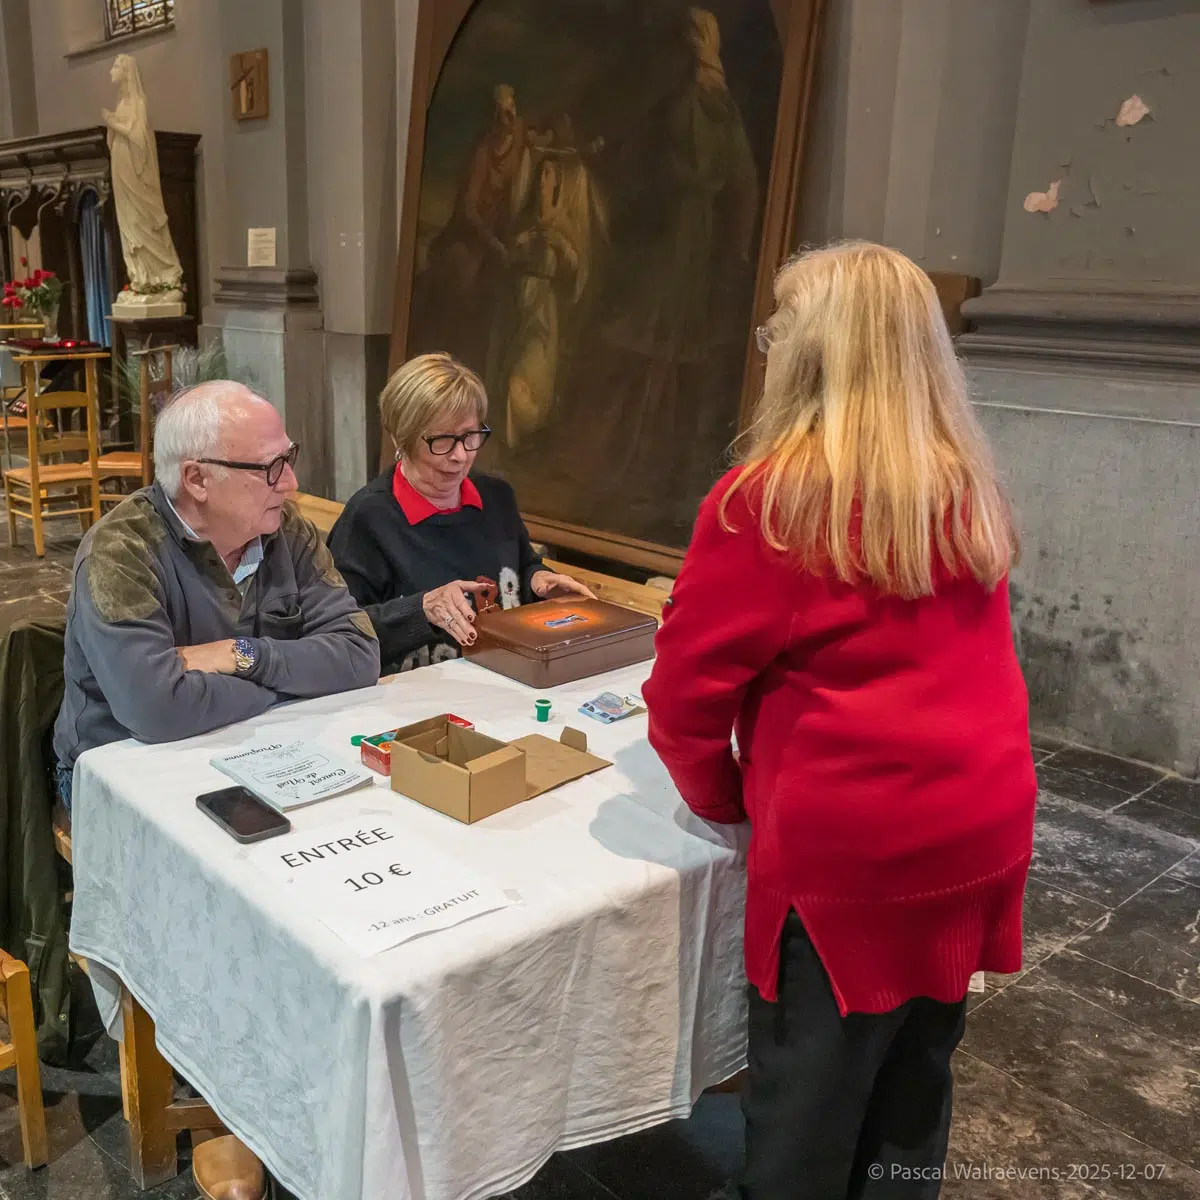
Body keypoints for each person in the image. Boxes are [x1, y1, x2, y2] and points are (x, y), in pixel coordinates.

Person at [643, 242, 1037, 1199]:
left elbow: (682, 702)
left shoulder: (772, 502)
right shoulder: (959, 478)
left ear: (813, 354)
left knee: (804, 1128)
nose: (769, 343)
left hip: (852, 856)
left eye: (780, 329)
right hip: (980, 824)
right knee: (913, 1090)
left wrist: (728, 799)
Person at [53, 381, 380, 807]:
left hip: (260, 749)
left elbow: (359, 655)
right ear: (197, 479)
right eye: (270, 467)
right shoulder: (120, 552)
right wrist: (289, 684)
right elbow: (157, 710)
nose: (291, 483)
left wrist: (243, 655)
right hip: (122, 774)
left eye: (289, 457)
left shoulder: (287, 530)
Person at [327, 353, 593, 674]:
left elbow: (521, 566)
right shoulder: (368, 518)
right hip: (415, 694)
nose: (460, 455)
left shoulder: (496, 497)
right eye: (441, 440)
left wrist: (539, 580)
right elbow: (337, 632)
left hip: (504, 678)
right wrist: (420, 609)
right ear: (402, 438)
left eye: (470, 436)